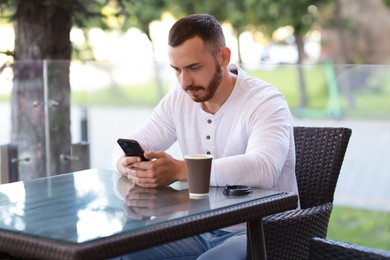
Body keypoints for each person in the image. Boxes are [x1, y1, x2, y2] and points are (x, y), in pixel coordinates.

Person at [112, 13, 299, 260]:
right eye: (177, 70)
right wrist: (128, 165)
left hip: (261, 231)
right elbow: (124, 147)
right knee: (119, 251)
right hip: (199, 227)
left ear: (223, 57)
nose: (184, 82)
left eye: (193, 68)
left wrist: (180, 170)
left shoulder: (265, 101)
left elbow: (264, 168)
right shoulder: (179, 99)